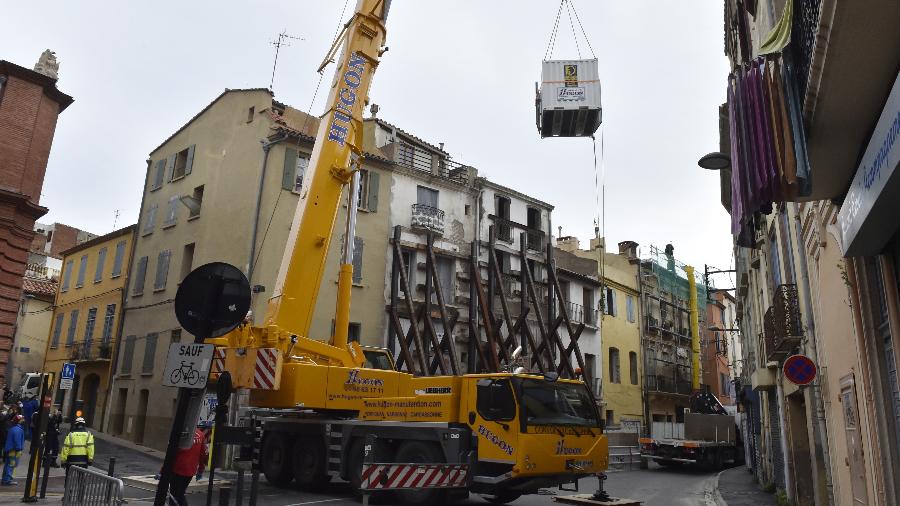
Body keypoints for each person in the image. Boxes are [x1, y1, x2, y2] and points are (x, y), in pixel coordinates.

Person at [168, 424, 209, 506]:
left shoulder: (182, 434)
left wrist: (162, 471)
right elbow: (202, 455)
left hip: (178, 469)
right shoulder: (201, 435)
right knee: (180, 493)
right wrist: (200, 470)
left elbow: (171, 455)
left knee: (175, 495)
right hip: (190, 471)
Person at [1, 415, 24, 486]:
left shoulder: (13, 428)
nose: (24, 420)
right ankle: (7, 480)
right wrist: (19, 449)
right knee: (11, 465)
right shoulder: (18, 430)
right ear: (19, 420)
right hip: (14, 451)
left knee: (8, 464)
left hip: (10, 450)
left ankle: (5, 479)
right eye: (22, 419)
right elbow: (17, 441)